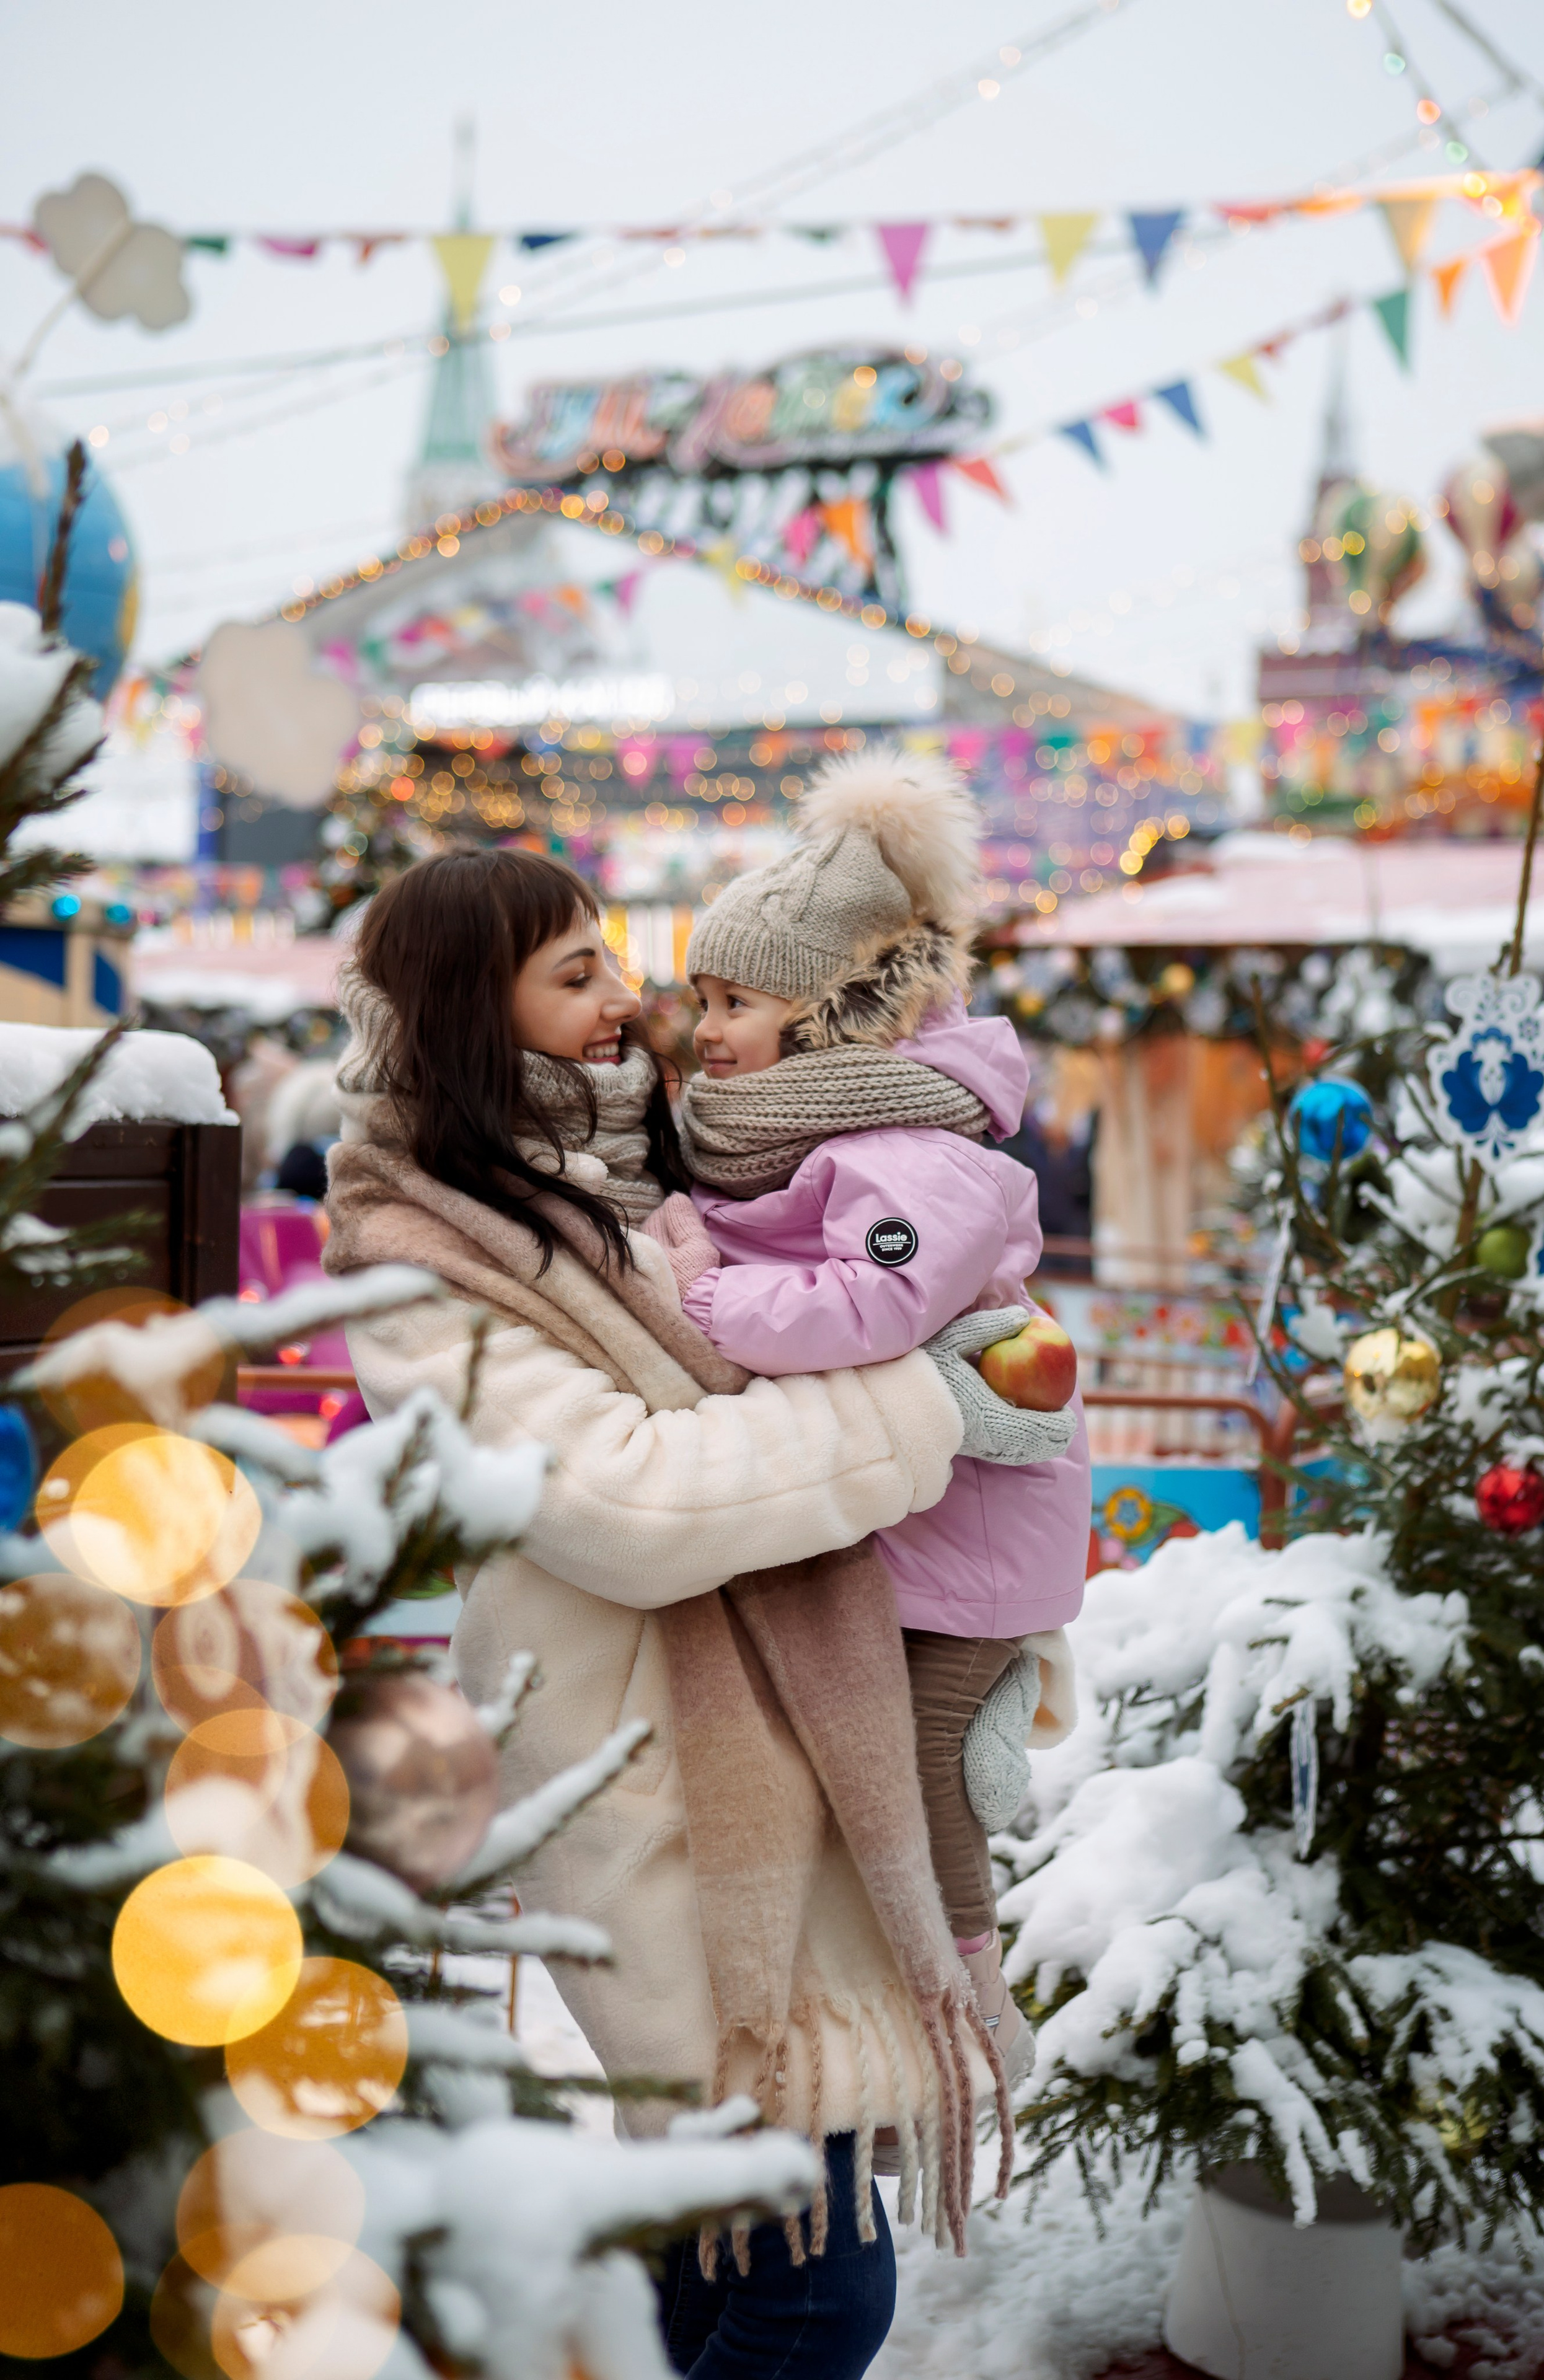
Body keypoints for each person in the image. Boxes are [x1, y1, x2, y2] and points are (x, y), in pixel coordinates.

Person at [322, 846, 1073, 2380]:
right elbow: (631, 1503)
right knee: (811, 2294)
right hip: (654, 1779)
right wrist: (920, 1404)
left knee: (703, 2264)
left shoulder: (647, 1167)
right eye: (576, 973)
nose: (630, 998)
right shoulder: (418, 1252)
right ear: (474, 1008)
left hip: (778, 1742)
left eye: (614, 960)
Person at [646, 751, 1090, 2085]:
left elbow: (878, 1301)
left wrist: (706, 1302)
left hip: (969, 1526)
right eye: (701, 999)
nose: (707, 1030)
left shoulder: (909, 1148)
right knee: (866, 1742)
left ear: (829, 1011)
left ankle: (969, 2002)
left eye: (737, 1003)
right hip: (913, 1510)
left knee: (916, 1767)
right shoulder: (798, 1129)